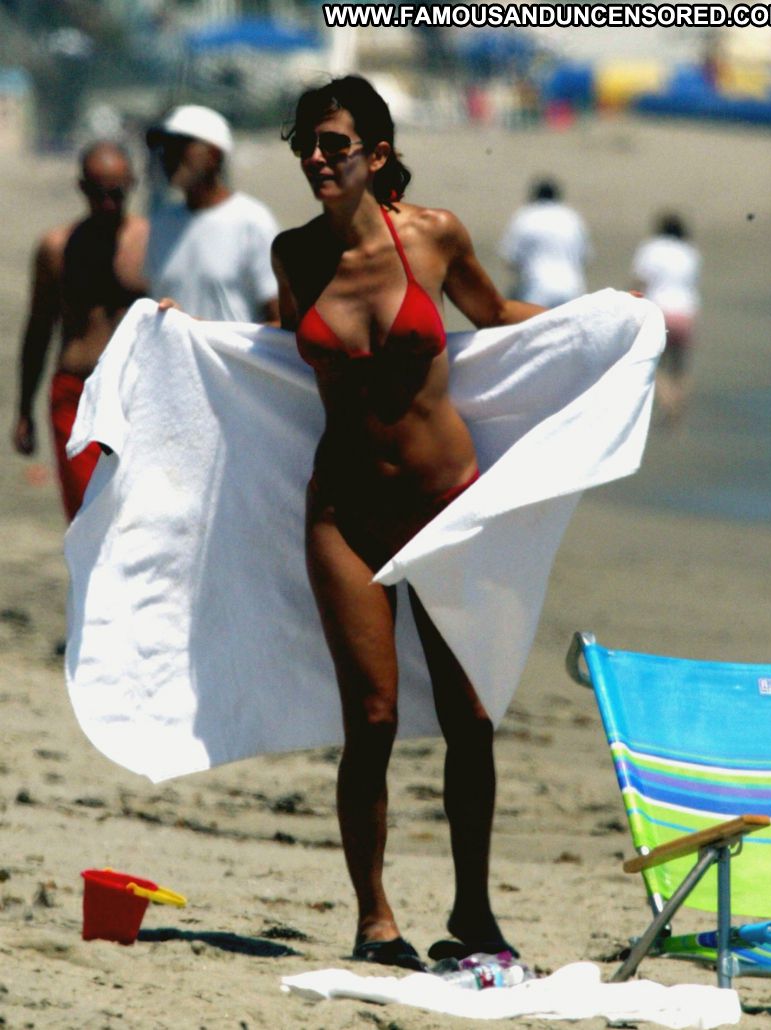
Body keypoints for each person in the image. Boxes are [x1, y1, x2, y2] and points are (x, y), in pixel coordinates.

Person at [271, 75, 546, 972]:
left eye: (335, 144)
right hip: (344, 514)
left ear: (376, 154)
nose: (318, 159)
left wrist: (607, 322)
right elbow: (273, 351)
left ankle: (473, 910)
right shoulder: (294, 254)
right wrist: (179, 336)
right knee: (375, 718)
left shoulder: (433, 235)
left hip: (446, 509)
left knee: (470, 716)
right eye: (307, 144)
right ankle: (376, 919)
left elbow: (495, 315)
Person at [11, 141, 148, 521]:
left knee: (140, 516)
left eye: (116, 193)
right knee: (87, 516)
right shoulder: (56, 249)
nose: (107, 204)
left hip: (139, 395)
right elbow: (39, 328)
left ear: (132, 184)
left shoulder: (151, 243)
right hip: (76, 394)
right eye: (98, 193)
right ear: (82, 188)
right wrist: (24, 409)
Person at [145, 105, 280, 323]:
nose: (168, 156)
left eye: (179, 146)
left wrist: (210, 334)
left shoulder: (252, 221)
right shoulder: (161, 222)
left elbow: (279, 319)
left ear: (214, 155)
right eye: (165, 147)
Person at [632, 213, 701, 425]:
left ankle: (669, 404)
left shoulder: (651, 249)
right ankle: (678, 407)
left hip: (658, 311)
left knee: (658, 366)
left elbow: (641, 280)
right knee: (680, 366)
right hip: (686, 312)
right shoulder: (690, 252)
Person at [498, 177, 591, 307]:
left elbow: (510, 258)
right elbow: (584, 257)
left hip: (537, 290)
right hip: (572, 288)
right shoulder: (571, 217)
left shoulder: (525, 216)